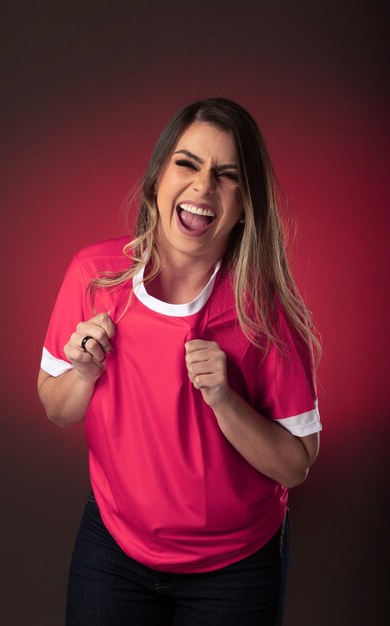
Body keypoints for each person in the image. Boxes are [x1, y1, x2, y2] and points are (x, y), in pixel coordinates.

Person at [38, 97, 321, 626]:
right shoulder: (95, 275)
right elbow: (57, 409)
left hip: (233, 567)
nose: (202, 187)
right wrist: (84, 372)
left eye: (227, 175)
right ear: (157, 178)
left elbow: (296, 465)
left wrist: (225, 400)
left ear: (245, 205)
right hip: (113, 548)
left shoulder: (263, 310)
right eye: (187, 163)